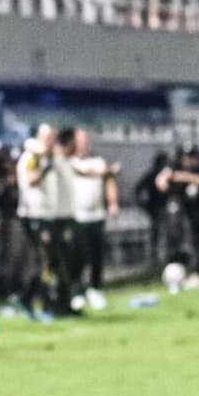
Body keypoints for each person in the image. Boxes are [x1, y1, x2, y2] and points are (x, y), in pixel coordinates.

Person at [15, 124, 63, 320]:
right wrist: (45, 168)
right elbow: (32, 179)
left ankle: (39, 302)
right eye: (48, 137)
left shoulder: (45, 157)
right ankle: (33, 301)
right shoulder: (33, 157)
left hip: (45, 214)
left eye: (53, 137)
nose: (51, 141)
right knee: (42, 262)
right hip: (33, 215)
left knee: (48, 262)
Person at [65, 129, 118, 310]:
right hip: (76, 216)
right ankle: (76, 291)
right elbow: (88, 172)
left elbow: (108, 180)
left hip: (96, 215)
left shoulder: (98, 160)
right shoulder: (68, 162)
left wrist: (112, 202)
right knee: (77, 256)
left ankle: (95, 289)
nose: (83, 144)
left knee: (97, 255)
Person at [160, 147, 199, 287]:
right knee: (194, 244)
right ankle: (196, 272)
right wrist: (166, 176)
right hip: (192, 214)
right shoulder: (178, 169)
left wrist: (184, 176)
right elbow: (162, 183)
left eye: (192, 157)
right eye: (186, 157)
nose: (189, 160)